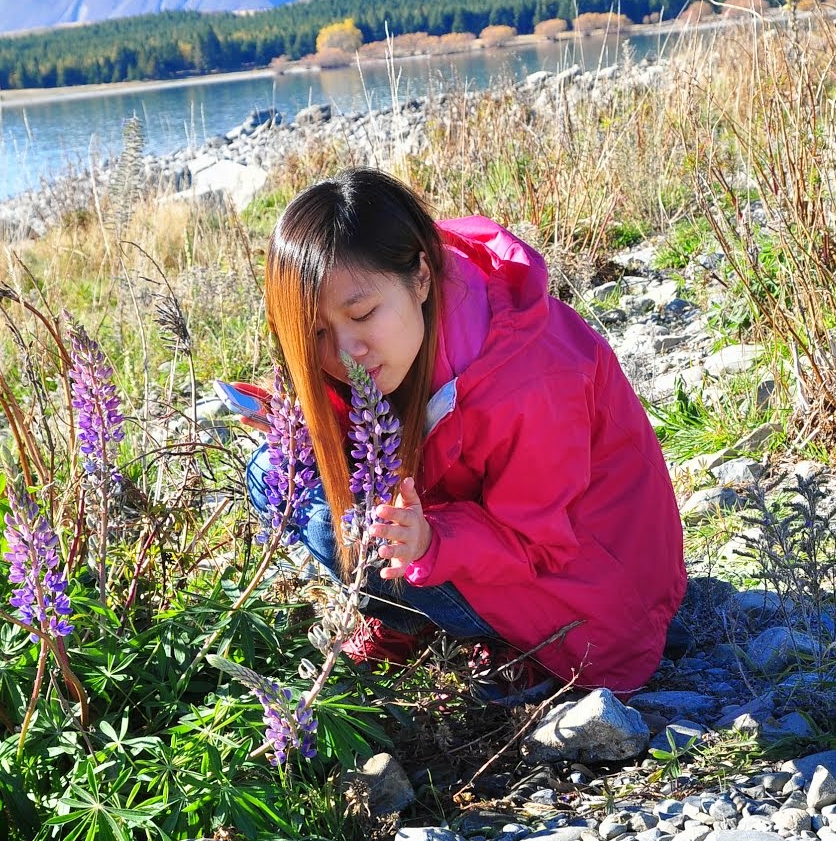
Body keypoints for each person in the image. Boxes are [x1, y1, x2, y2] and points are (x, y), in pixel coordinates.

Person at [245, 167, 687, 696]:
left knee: (328, 525)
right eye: (316, 332)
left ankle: (427, 625)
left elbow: (539, 543)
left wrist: (433, 540)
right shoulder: (405, 327)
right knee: (276, 469)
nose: (344, 352)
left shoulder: (528, 378)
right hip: (485, 542)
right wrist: (301, 424)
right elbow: (383, 440)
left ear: (423, 275)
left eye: (361, 314)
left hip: (591, 601)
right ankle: (404, 616)